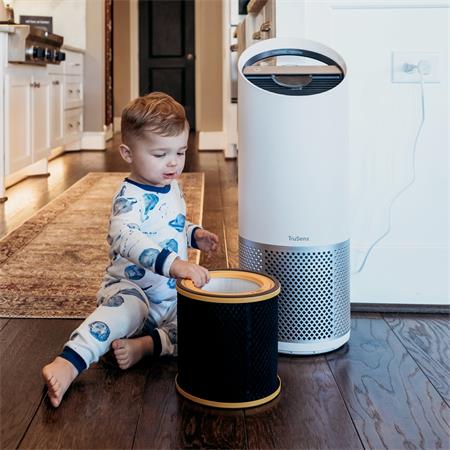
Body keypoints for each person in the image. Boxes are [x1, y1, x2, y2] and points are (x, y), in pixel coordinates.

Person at [42, 92, 219, 408]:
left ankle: (145, 346)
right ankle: (70, 362)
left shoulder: (171, 186)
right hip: (131, 289)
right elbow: (127, 238)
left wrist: (194, 234)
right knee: (125, 312)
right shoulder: (129, 198)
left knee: (203, 322)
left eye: (180, 152)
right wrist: (176, 265)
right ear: (128, 153)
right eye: (160, 154)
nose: (173, 162)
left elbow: (170, 224)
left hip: (169, 298)